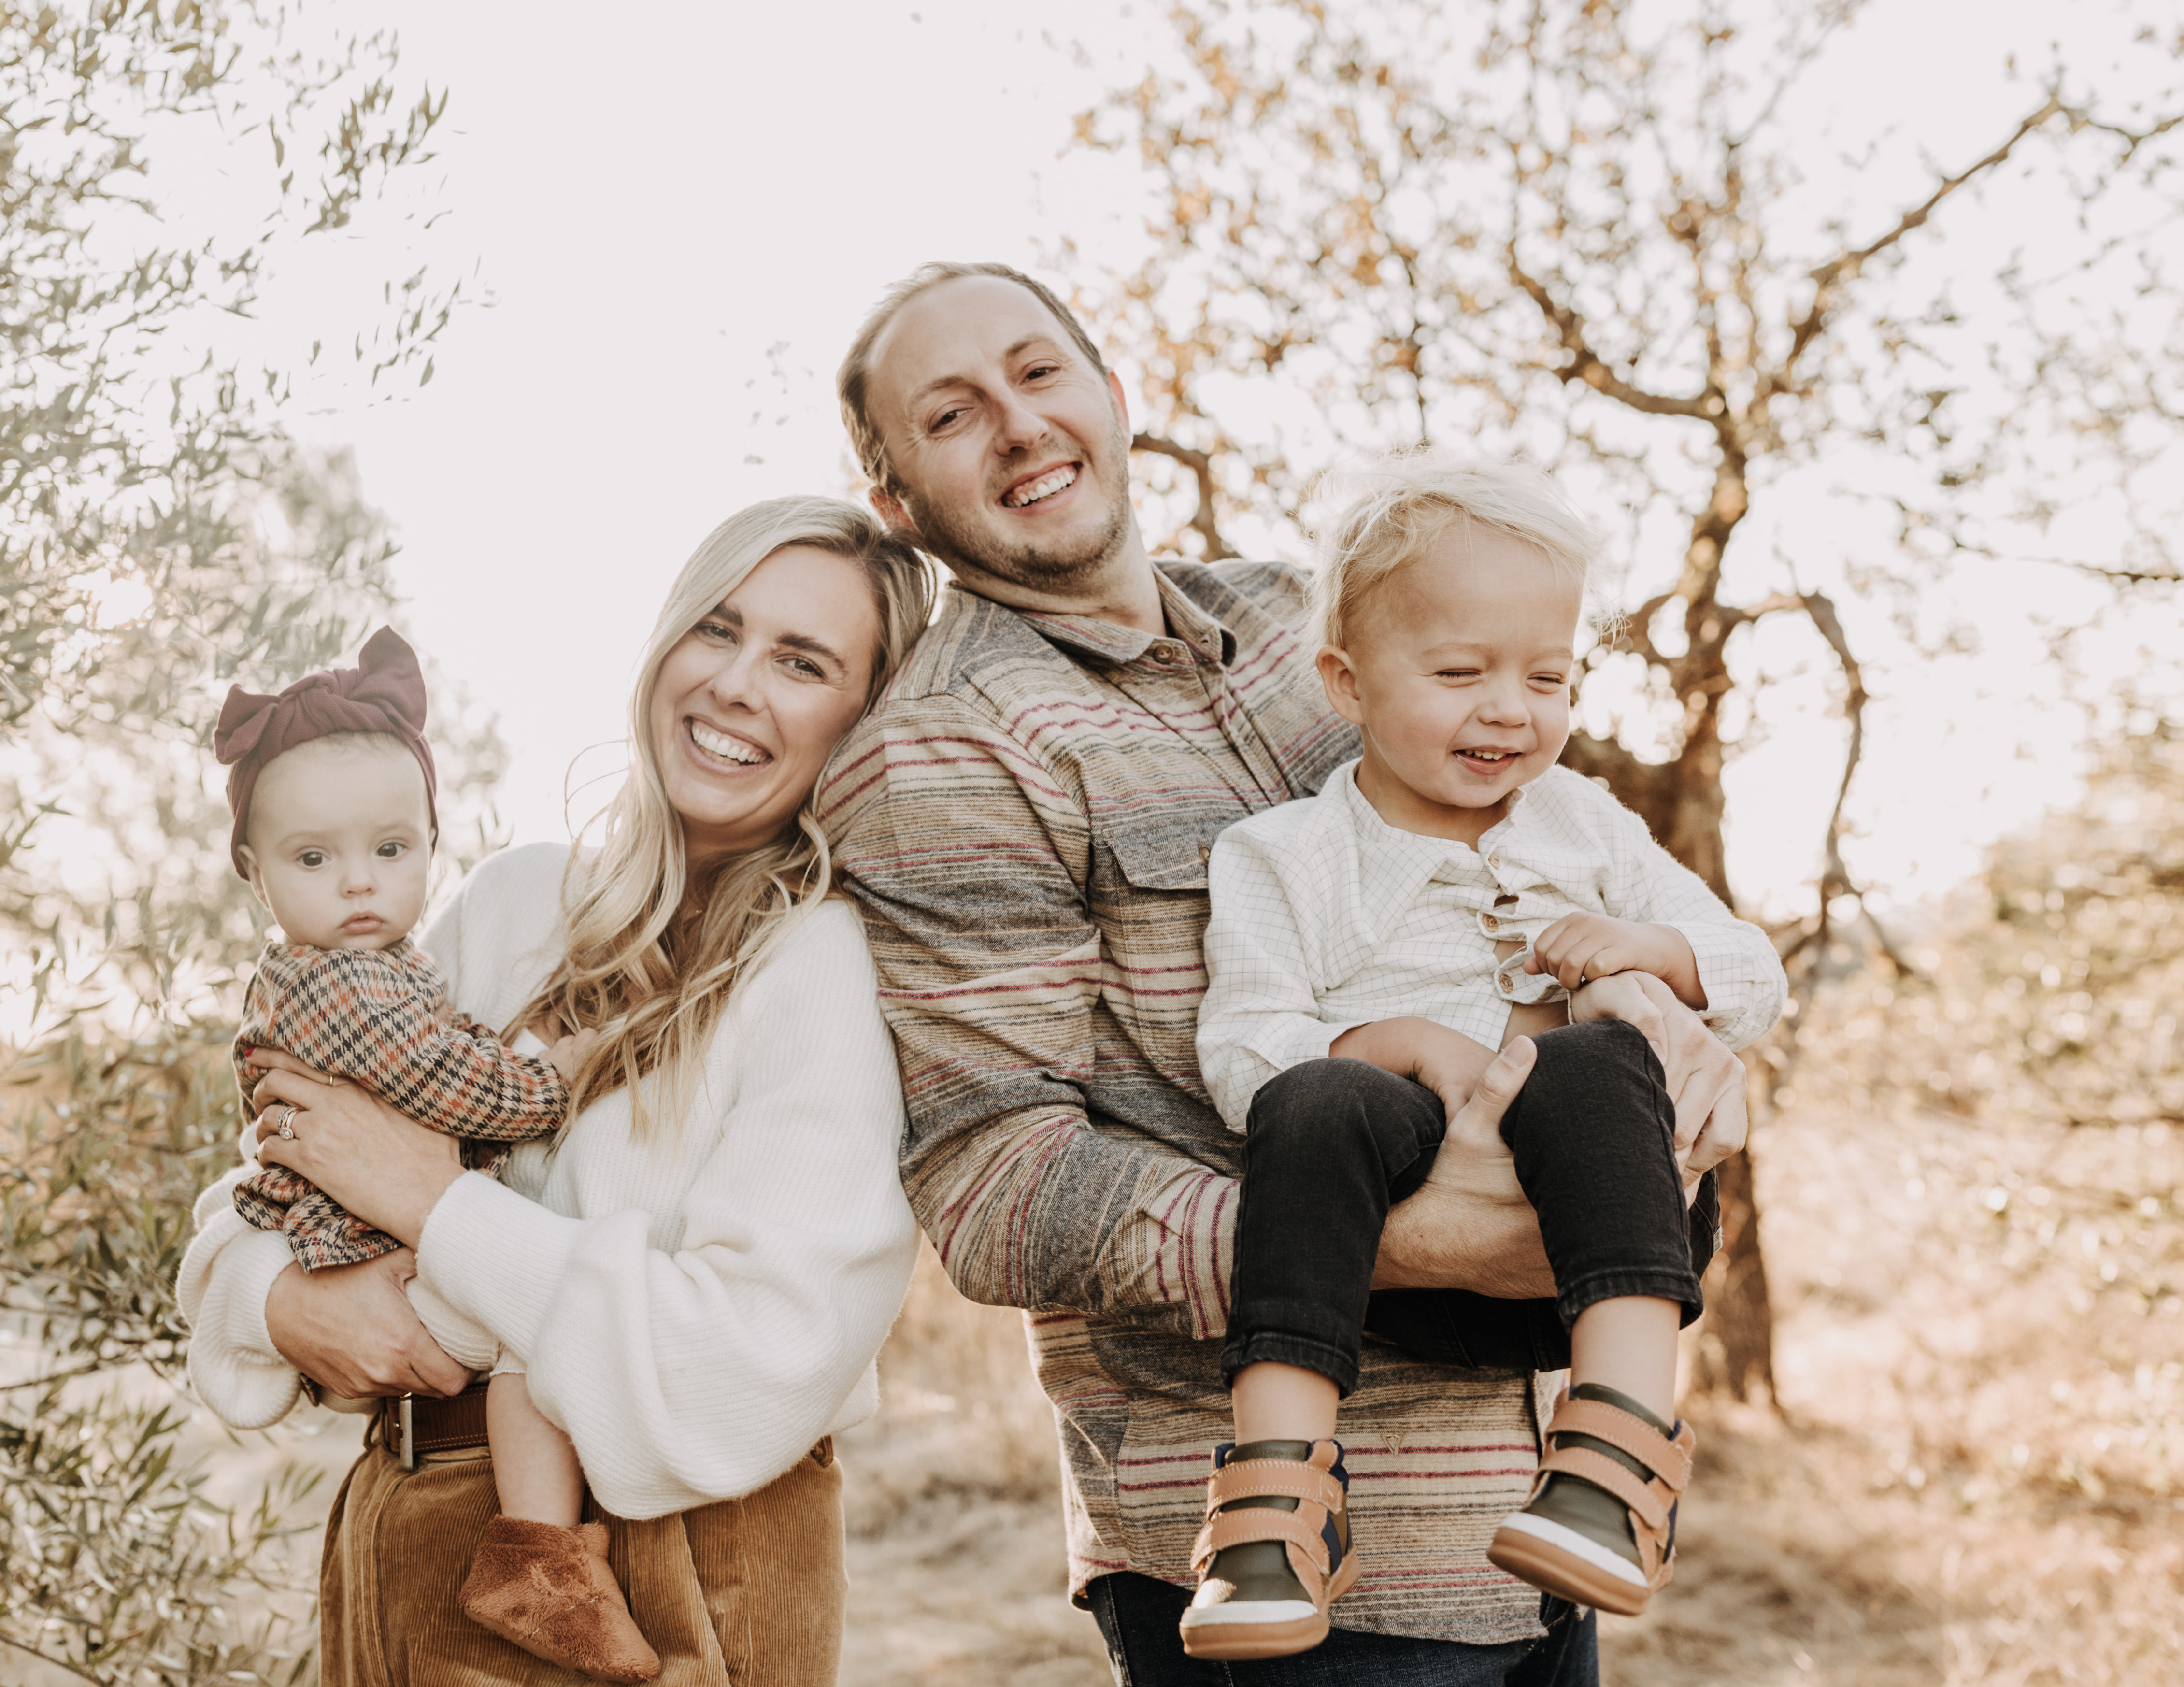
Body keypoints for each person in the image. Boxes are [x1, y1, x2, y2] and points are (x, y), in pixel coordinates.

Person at [821, 261, 1750, 1685]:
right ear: (898, 500)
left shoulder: (1310, 616)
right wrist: (1416, 1235)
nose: (1017, 425)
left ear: (1113, 396)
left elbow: (1566, 875)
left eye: (1038, 372)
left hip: (1540, 1513)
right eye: (952, 415)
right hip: (1285, 1579)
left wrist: (1677, 1046)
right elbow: (995, 1190)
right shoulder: (944, 753)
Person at [176, 496, 934, 1687]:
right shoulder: (516, 903)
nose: (737, 684)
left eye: (801, 661)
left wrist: (443, 1214)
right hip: (405, 1524)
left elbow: (757, 1361)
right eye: (717, 629)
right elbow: (267, 1173)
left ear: (865, 718)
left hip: (672, 1577)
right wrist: (280, 1301)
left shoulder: (821, 969)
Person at [1182, 454, 1784, 1660]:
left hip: (1595, 1245)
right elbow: (1244, 1042)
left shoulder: (1588, 823)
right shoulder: (1283, 855)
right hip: (1387, 1264)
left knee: (1597, 1054)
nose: (1511, 708)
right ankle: (1273, 1507)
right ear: (1346, 683)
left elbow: (1751, 973)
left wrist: (1645, 949)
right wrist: (1399, 1044)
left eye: (1548, 676)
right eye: (1460, 673)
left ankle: (1615, 1459)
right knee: (1314, 1098)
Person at [208, 627, 647, 1680]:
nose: (359, 884)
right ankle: (540, 1564)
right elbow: (459, 1090)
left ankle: (540, 1554)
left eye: (391, 852)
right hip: (372, 1257)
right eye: (314, 860)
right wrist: (561, 1068)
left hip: (373, 1238)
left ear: (432, 843)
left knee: (529, 1324)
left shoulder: (381, 964)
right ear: (254, 872)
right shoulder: (338, 984)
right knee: (539, 1333)